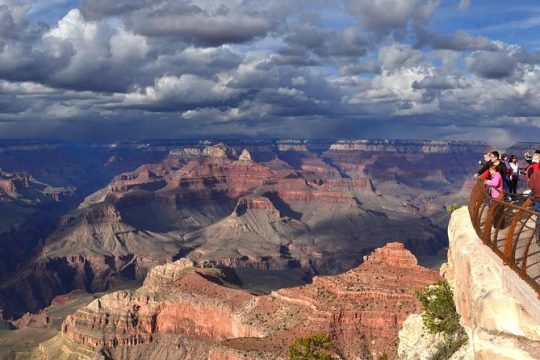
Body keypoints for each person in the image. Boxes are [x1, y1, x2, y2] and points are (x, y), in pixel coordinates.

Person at [527, 162, 540, 241]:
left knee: (539, 217)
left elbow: (530, 185)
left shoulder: (535, 174)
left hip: (537, 198)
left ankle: (538, 235)